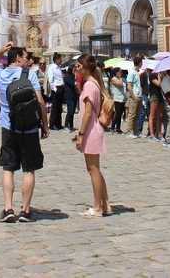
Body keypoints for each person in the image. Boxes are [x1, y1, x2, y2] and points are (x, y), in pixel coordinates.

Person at [0, 42, 48, 223]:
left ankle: (8, 208)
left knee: (8, 168)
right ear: (17, 58)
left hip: (9, 127)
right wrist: (44, 125)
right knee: (29, 169)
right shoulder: (30, 74)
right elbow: (40, 102)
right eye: (25, 56)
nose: (28, 60)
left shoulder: (0, 74)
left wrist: (1, 50)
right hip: (29, 127)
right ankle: (25, 210)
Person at [74, 54, 111, 218]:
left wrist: (80, 134)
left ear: (85, 67)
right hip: (93, 130)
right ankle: (105, 204)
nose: (76, 68)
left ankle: (97, 207)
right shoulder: (94, 83)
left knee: (93, 169)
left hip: (91, 131)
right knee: (95, 169)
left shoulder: (89, 85)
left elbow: (88, 113)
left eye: (78, 66)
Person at [123, 55, 143, 137]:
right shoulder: (131, 72)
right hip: (134, 96)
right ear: (139, 63)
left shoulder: (137, 72)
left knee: (137, 115)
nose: (142, 64)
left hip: (139, 96)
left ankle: (135, 131)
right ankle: (130, 131)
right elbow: (129, 86)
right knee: (132, 115)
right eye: (142, 62)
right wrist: (133, 96)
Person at [47, 54, 65, 130]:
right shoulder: (52, 67)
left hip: (61, 87)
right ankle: (52, 124)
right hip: (56, 89)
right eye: (60, 59)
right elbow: (51, 80)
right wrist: (55, 89)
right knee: (55, 108)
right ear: (56, 59)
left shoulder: (59, 68)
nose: (61, 60)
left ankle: (58, 123)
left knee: (59, 108)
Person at [108, 68, 127, 133]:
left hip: (123, 98)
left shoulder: (123, 79)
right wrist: (120, 78)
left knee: (120, 114)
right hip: (117, 98)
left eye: (121, 72)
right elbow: (120, 84)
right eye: (119, 72)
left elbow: (125, 86)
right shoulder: (113, 79)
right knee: (117, 113)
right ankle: (113, 127)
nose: (121, 73)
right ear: (116, 72)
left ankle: (118, 128)